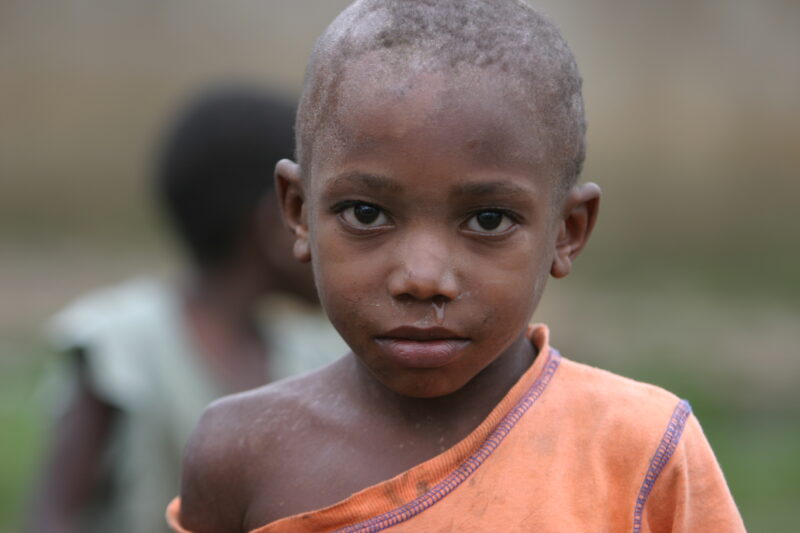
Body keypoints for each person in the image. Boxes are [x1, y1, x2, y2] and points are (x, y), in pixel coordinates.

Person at [168, 2, 746, 531]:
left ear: (566, 232)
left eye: (488, 220)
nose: (422, 277)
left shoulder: (637, 449)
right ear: (297, 213)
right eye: (366, 213)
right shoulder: (240, 453)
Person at [28, 86, 346, 533]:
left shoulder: (307, 355)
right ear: (273, 225)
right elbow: (55, 515)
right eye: (322, 214)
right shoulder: (123, 345)